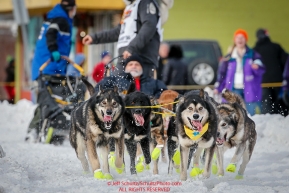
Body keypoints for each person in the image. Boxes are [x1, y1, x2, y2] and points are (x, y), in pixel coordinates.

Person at [82, 0, 162, 78]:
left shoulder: (146, 2)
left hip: (141, 59)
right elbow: (119, 32)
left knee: (141, 90)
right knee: (117, 87)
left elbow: (149, 26)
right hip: (124, 58)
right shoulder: (129, 7)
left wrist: (132, 48)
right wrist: (95, 37)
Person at [214, 29, 266, 116]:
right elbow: (222, 74)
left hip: (249, 88)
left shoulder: (252, 54)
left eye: (242, 37)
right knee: (232, 114)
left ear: (246, 40)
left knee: (249, 114)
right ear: (234, 40)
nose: (240, 39)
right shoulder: (229, 57)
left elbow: (260, 66)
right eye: (238, 37)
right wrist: (218, 87)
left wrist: (257, 66)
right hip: (232, 88)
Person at [31, 0, 77, 81]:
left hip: (42, 67)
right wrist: (53, 49)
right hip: (49, 68)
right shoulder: (61, 20)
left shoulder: (53, 17)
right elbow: (50, 33)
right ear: (71, 8)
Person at [95, 54, 167, 98]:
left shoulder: (153, 83)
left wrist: (155, 99)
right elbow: (98, 89)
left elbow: (165, 92)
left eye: (137, 64)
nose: (134, 66)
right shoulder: (116, 80)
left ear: (142, 68)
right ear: (125, 68)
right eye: (130, 64)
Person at [253, 28, 289, 115]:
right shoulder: (276, 47)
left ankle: (268, 123)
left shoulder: (254, 50)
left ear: (257, 37)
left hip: (262, 82)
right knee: (278, 104)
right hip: (278, 81)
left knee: (266, 106)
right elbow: (286, 61)